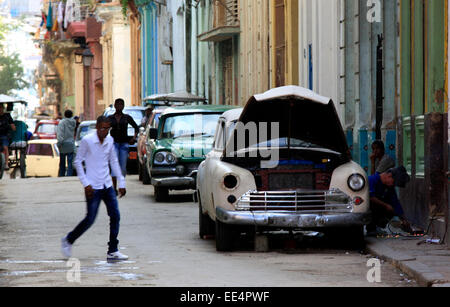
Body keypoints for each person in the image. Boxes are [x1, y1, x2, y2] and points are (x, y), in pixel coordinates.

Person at [61, 116, 128, 261]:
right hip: (93, 187)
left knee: (115, 216)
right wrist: (85, 183)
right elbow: (77, 162)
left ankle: (113, 250)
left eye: (108, 129)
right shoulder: (87, 141)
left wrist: (121, 182)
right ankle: (68, 240)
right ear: (97, 127)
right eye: (103, 128)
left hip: (107, 185)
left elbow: (114, 161)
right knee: (90, 219)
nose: (105, 131)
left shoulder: (109, 140)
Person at [367, 166, 412, 235]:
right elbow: (371, 197)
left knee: (392, 209)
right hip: (368, 207)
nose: (392, 185)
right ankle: (371, 228)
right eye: (393, 183)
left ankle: (378, 226)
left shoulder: (389, 187)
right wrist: (386, 205)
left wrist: (403, 219)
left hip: (378, 209)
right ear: (389, 176)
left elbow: (395, 202)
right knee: (378, 206)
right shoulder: (372, 180)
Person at [107, 98, 139, 192]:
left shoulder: (127, 117)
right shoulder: (110, 118)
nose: (120, 106)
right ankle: (114, 187)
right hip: (113, 144)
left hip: (124, 144)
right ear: (115, 105)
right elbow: (104, 129)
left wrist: (134, 138)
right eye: (118, 104)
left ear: (123, 106)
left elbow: (136, 128)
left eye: (121, 104)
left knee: (123, 167)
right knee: (114, 164)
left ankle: (121, 185)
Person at [56, 110, 76, 177]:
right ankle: (69, 175)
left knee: (62, 162)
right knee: (70, 162)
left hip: (63, 144)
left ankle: (62, 175)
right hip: (71, 143)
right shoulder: (73, 122)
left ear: (65, 115)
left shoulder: (62, 122)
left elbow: (60, 134)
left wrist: (59, 143)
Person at [0, 104, 16, 170]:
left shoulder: (7, 116)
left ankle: (6, 164)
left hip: (5, 135)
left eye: (0, 108)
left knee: (5, 147)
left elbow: (13, 127)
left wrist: (12, 126)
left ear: (3, 108)